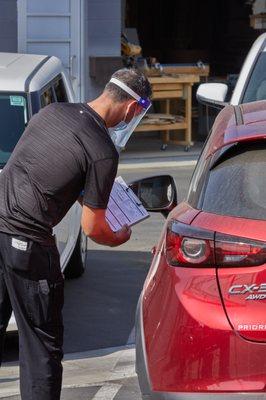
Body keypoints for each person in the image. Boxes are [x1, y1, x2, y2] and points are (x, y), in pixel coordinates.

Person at [0, 68, 152, 400]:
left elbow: (45, 167)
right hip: (27, 243)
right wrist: (119, 236)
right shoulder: (102, 149)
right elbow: (92, 227)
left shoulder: (53, 112)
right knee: (41, 346)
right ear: (132, 108)